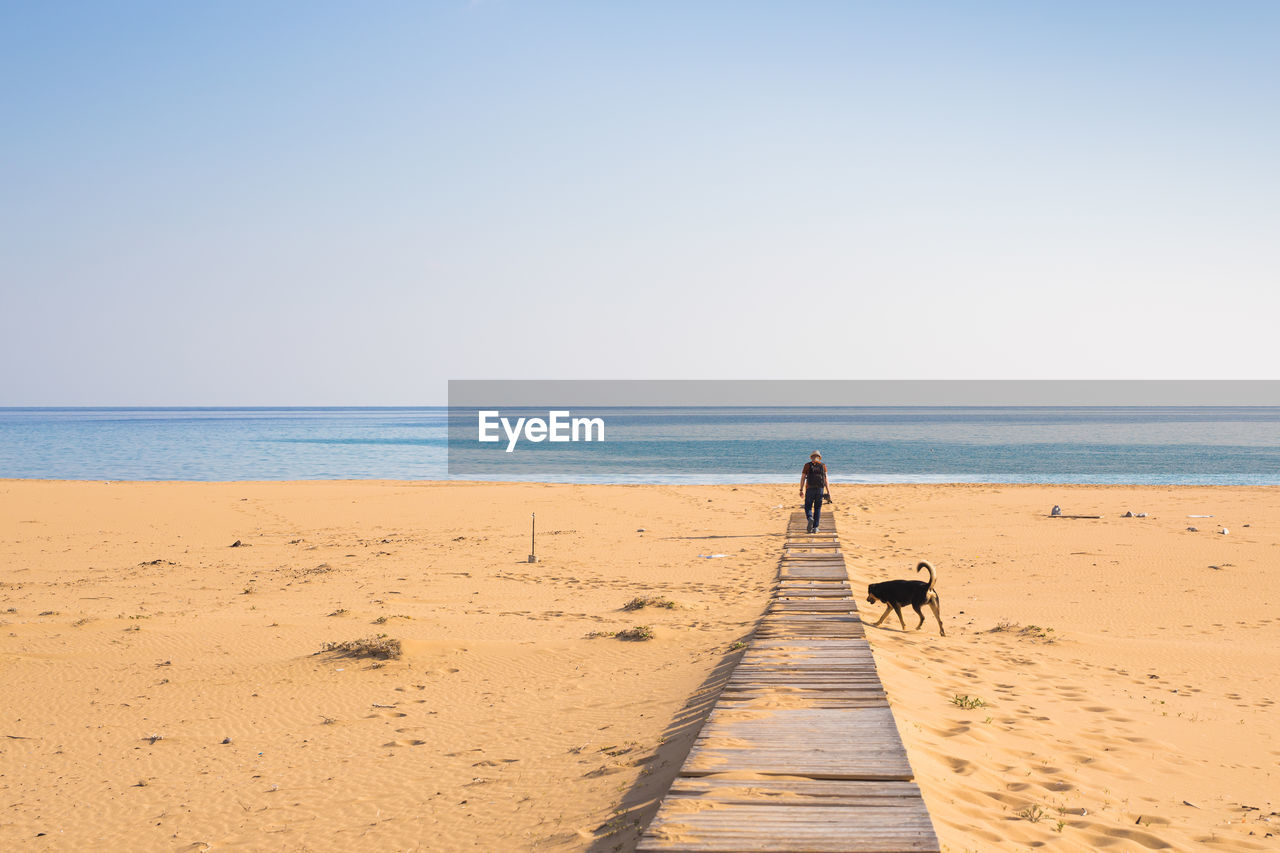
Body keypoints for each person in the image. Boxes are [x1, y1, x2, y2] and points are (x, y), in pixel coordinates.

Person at [799, 450, 831, 533]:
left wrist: (801, 490)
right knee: (817, 508)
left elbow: (803, 478)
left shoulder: (807, 465)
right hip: (820, 489)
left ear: (811, 457)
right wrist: (828, 492)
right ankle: (815, 527)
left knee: (808, 506)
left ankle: (810, 518)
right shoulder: (823, 466)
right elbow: (826, 479)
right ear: (819, 457)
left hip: (810, 488)